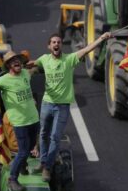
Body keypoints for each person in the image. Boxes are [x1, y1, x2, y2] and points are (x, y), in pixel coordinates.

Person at [27, 31, 112, 182]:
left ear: (61, 45)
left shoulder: (69, 59)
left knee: (55, 137)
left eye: (59, 42)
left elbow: (86, 50)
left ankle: (47, 167)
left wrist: (101, 38)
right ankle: (42, 162)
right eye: (53, 42)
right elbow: (31, 65)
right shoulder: (44, 59)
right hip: (47, 103)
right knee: (43, 134)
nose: (56, 44)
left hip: (62, 107)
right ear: (49, 46)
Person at [0, 51, 40, 191]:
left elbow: (37, 67)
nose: (16, 62)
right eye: (12, 61)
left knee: (31, 147)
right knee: (23, 151)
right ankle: (12, 179)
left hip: (34, 119)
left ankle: (23, 165)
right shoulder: (3, 80)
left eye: (17, 59)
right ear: (8, 66)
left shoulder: (26, 73)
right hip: (20, 122)